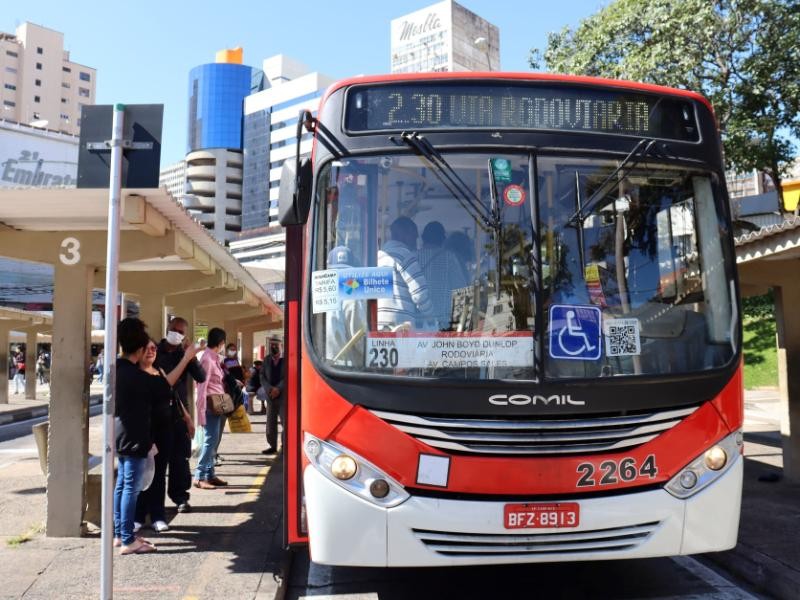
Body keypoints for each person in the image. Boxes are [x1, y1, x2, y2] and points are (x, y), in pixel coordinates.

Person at [135, 337, 200, 533]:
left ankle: (158, 515)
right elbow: (164, 386)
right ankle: (138, 515)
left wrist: (187, 417)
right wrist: (186, 357)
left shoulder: (160, 370)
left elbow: (173, 395)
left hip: (166, 428)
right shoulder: (135, 373)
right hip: (145, 430)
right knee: (142, 475)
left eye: (153, 348)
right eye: (146, 349)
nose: (150, 352)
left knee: (159, 474)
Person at [113, 318, 156, 555]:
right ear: (140, 350)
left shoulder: (116, 369)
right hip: (135, 435)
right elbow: (161, 391)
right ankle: (129, 540)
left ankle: (121, 534)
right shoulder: (137, 376)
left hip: (120, 434)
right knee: (131, 487)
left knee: (122, 485)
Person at [155, 317, 205, 513]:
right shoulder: (155, 351)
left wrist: (190, 356)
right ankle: (155, 505)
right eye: (173, 329)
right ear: (167, 328)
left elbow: (201, 377)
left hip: (179, 413)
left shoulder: (184, 354)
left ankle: (180, 498)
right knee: (158, 461)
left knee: (179, 459)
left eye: (181, 332)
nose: (176, 333)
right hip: (158, 413)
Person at [377, 216, 434, 330]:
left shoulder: (378, 256)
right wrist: (431, 316)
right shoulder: (405, 255)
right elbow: (419, 294)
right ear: (403, 234)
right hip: (400, 327)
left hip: (379, 326)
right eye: (414, 236)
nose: (416, 241)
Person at [194, 327, 229, 489]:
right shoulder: (207, 359)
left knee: (212, 440)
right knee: (210, 441)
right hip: (209, 404)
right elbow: (202, 386)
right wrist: (200, 412)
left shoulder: (213, 358)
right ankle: (199, 476)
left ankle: (210, 474)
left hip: (216, 403)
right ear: (221, 342)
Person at [417, 221, 468, 330]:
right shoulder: (449, 258)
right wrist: (458, 325)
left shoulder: (412, 258)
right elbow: (460, 291)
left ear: (423, 238)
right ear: (442, 239)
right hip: (442, 324)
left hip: (417, 323)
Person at [325, 245, 367, 365]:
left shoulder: (320, 297)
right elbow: (361, 343)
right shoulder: (352, 298)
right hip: (346, 370)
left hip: (323, 366)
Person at [261, 336, 284, 455]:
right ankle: (272, 446)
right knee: (270, 422)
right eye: (271, 345)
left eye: (276, 345)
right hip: (270, 396)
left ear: (281, 346)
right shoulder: (266, 360)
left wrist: (278, 388)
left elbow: (288, 376)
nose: (273, 347)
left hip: (283, 396)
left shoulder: (286, 360)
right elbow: (262, 376)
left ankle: (285, 444)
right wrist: (269, 389)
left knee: (285, 421)